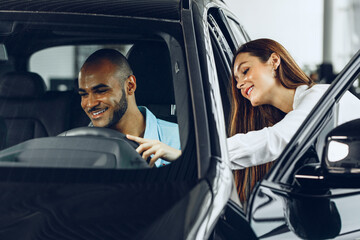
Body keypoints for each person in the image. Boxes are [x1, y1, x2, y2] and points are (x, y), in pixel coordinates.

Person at [227, 38, 360, 204]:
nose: (239, 84)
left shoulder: (320, 96)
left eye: (245, 71)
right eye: (237, 80)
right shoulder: (289, 119)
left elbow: (277, 139)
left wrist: (207, 153)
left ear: (274, 61)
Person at [77, 48, 181, 167]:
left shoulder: (179, 140)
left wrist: (181, 161)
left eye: (101, 91)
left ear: (130, 86)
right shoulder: (76, 147)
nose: (90, 104)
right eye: (83, 94)